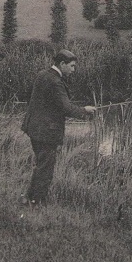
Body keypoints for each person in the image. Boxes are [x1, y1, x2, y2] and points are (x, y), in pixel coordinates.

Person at [20, 49, 96, 206]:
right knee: (46, 168)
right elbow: (66, 108)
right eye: (72, 66)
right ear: (62, 64)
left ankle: (30, 198)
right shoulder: (56, 82)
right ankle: (37, 202)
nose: (73, 70)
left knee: (41, 164)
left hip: (34, 127)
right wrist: (85, 111)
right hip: (46, 131)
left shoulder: (43, 74)